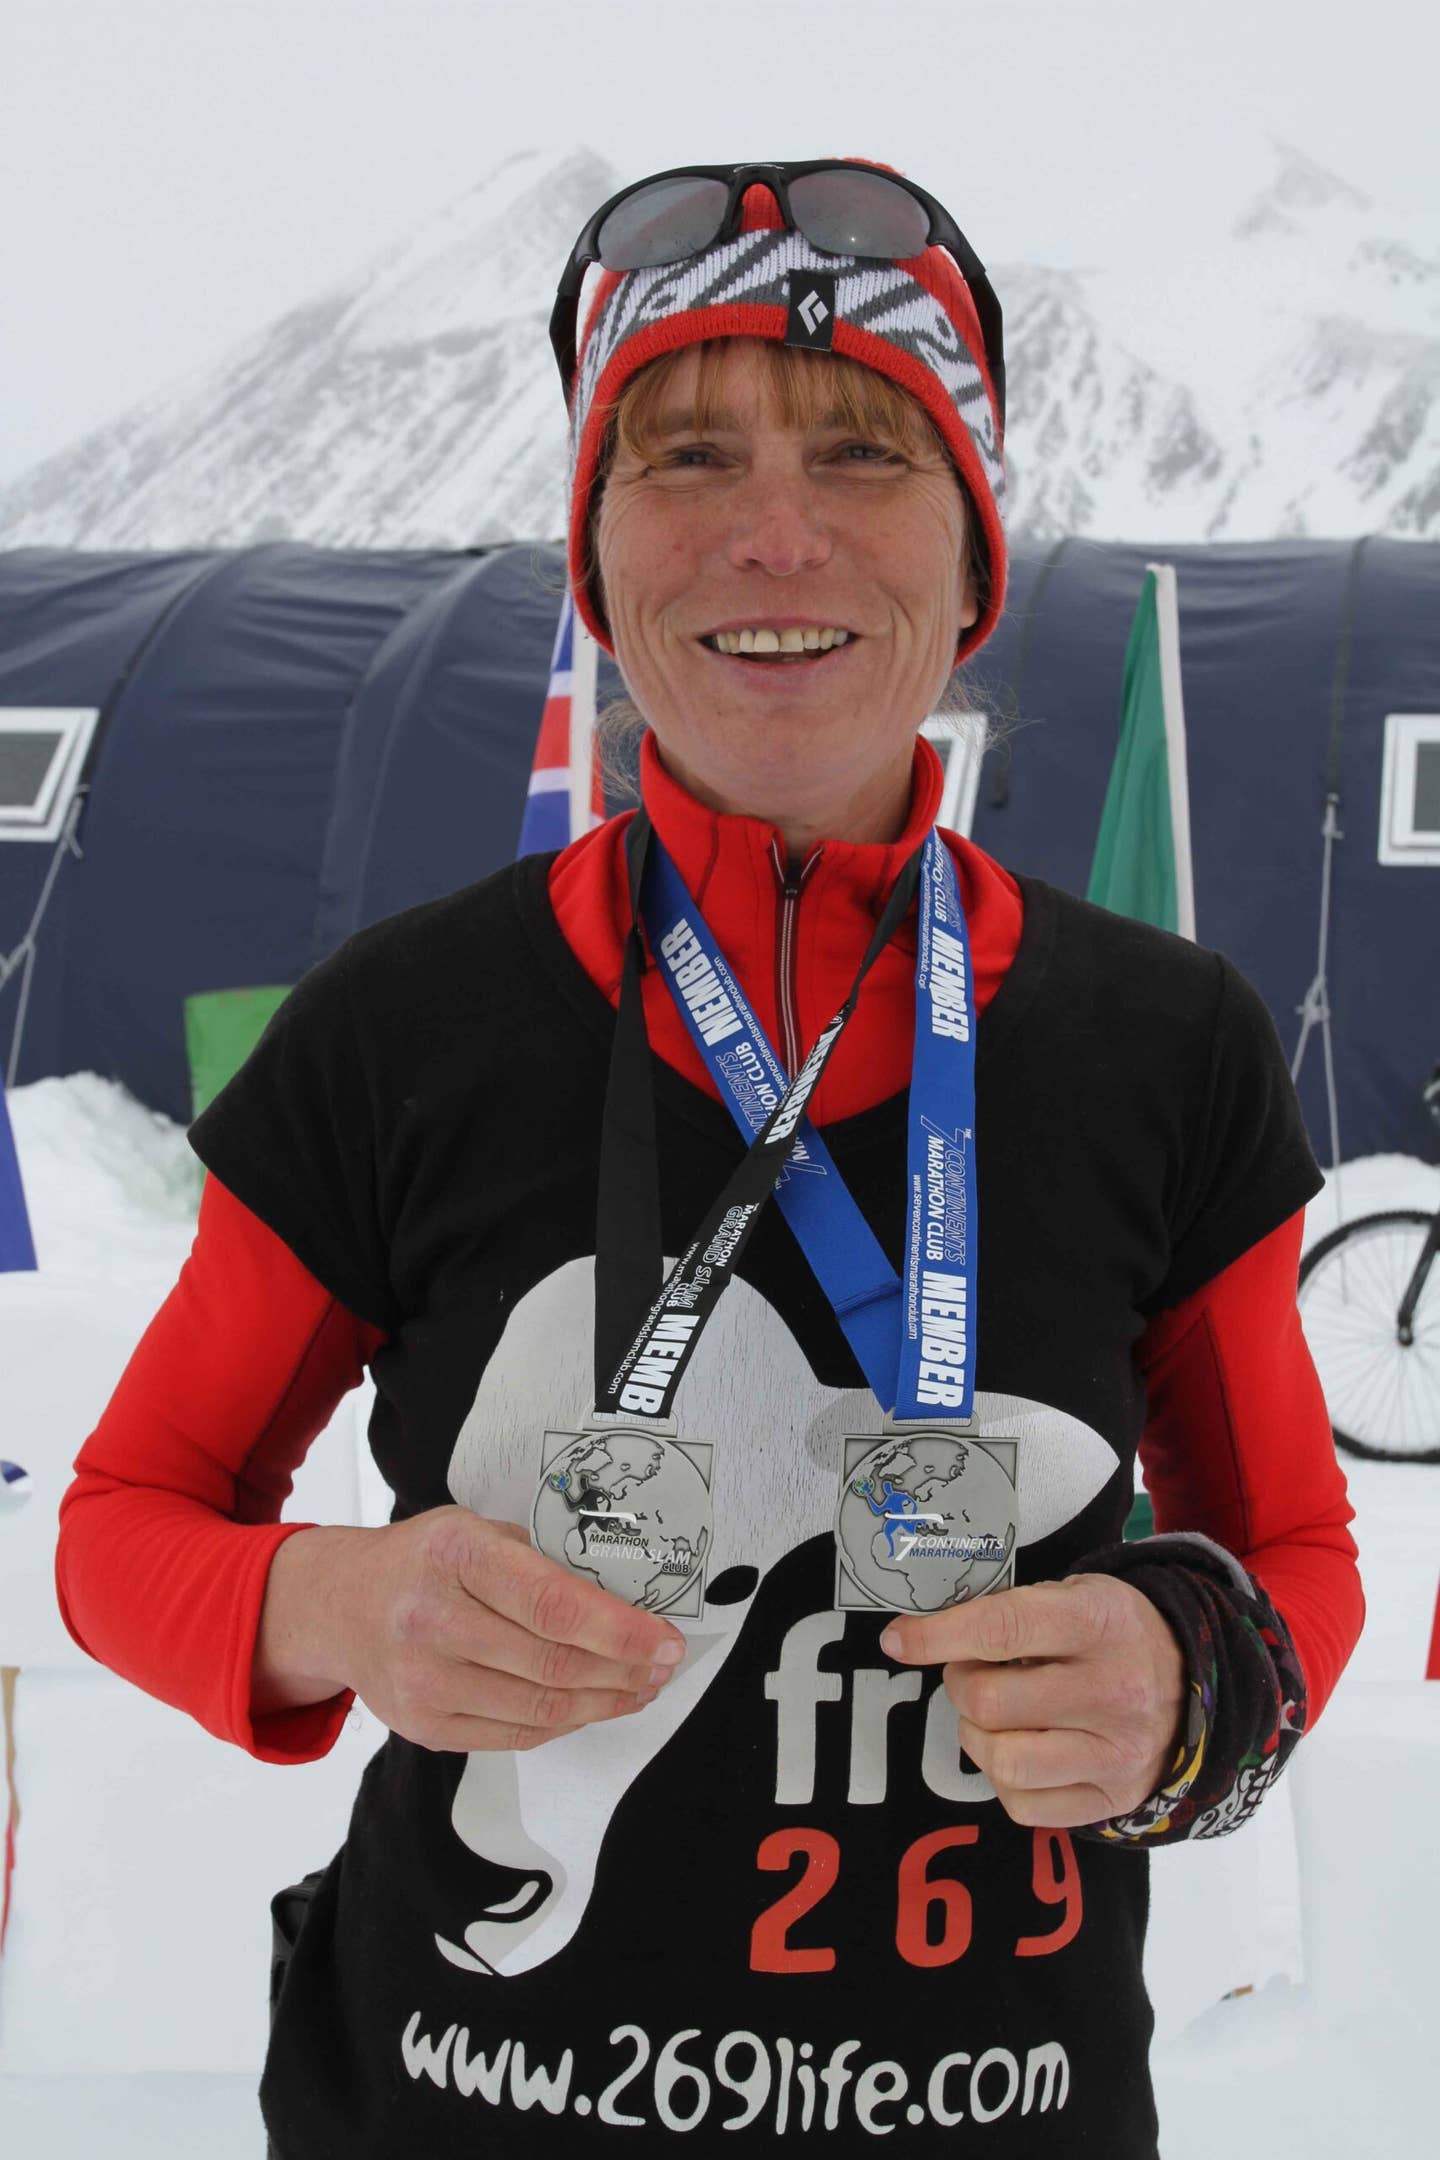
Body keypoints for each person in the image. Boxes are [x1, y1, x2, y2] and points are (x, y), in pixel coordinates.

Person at [55, 160, 1364, 2157]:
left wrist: (1191, 1678)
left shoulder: (1164, 1040)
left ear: (973, 553)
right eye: (684, 456)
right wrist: (338, 1603)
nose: (774, 534)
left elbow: (1295, 1567)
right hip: (456, 2102)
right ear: (593, 553)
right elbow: (123, 1519)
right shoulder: (403, 1028)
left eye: (862, 452)